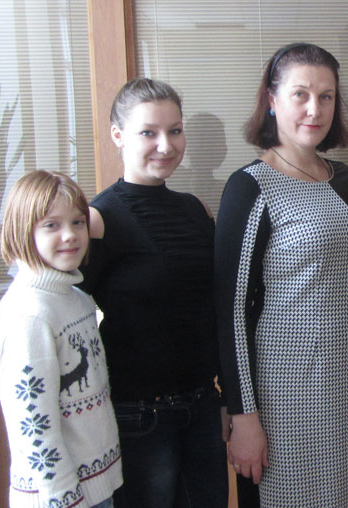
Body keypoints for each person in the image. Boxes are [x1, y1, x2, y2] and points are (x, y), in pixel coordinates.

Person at [214, 42, 348, 508]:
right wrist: (243, 415)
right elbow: (230, 311)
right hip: (282, 391)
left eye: (326, 96)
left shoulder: (342, 178)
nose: (314, 109)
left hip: (343, 386)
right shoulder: (251, 186)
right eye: (300, 94)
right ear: (272, 99)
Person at [78, 78, 228, 508]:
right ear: (118, 135)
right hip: (138, 416)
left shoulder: (195, 209)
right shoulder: (97, 219)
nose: (166, 145)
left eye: (175, 130)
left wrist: (226, 401)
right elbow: (66, 312)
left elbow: (214, 308)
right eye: (149, 132)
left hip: (202, 406)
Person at [0, 170, 123, 508]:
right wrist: (64, 497)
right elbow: (34, 428)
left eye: (78, 222)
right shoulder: (29, 314)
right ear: (23, 230)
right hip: (61, 497)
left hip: (96, 487)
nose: (70, 235)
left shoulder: (76, 299)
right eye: (52, 225)